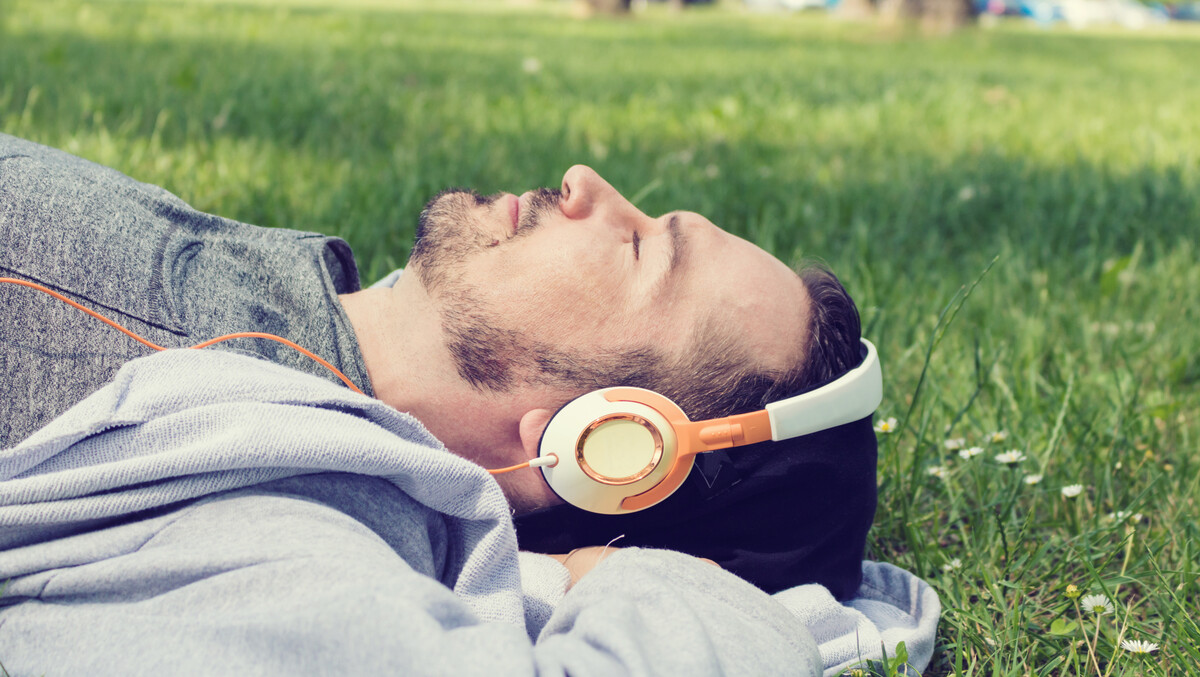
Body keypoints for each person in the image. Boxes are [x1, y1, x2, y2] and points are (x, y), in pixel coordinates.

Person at [0, 133, 880, 673]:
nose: (585, 183)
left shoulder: (278, 514)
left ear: (610, 448)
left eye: (644, 251)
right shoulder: (294, 313)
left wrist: (675, 592)